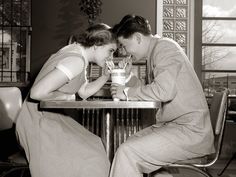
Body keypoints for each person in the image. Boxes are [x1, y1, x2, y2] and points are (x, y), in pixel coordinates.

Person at [109, 14, 215, 177]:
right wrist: (129, 78)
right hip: (179, 127)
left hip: (190, 131)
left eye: (124, 45)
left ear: (137, 38)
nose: (124, 52)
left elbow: (163, 91)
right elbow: (152, 89)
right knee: (129, 144)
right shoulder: (157, 50)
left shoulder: (164, 48)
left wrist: (126, 92)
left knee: (127, 152)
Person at [15, 23, 117, 177]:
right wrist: (67, 97)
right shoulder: (76, 60)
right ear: (96, 45)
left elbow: (83, 92)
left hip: (49, 117)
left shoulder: (77, 53)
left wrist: (105, 76)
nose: (111, 57)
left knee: (94, 145)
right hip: (38, 121)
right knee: (92, 157)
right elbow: (36, 93)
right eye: (110, 51)